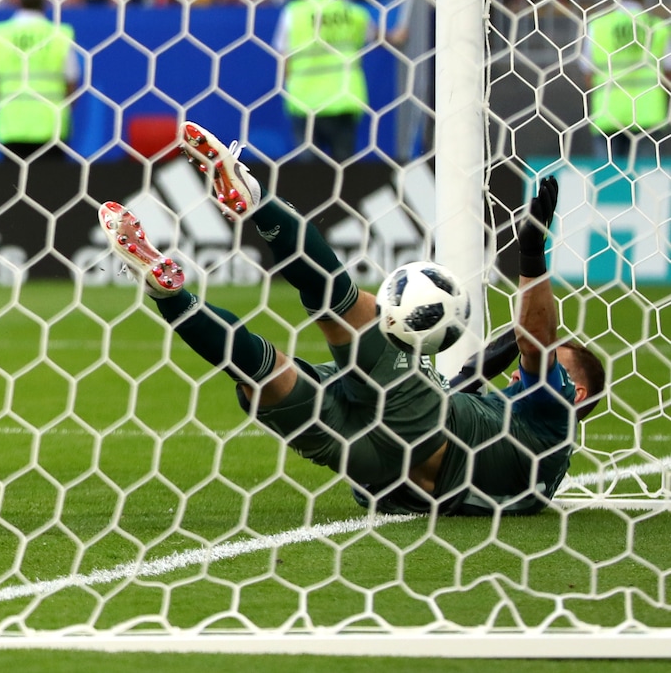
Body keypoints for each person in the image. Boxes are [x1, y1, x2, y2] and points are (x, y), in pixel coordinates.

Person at [103, 123, 605, 515]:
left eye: (554, 370)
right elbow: (491, 371)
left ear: (575, 393)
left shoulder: (551, 418)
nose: (525, 371)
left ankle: (255, 199)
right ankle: (168, 294)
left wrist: (533, 253)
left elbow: (536, 341)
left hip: (425, 425)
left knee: (341, 307)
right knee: (266, 376)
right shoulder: (538, 468)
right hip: (378, 469)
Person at [273, 0, 374, 163]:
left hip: (304, 102)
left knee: (309, 177)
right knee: (344, 172)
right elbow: (378, 36)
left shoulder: (294, 13)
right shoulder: (355, 13)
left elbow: (284, 57)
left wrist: (289, 86)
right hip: (343, 99)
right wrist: (397, 36)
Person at [578, 0, 669, 169]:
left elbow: (587, 72)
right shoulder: (658, 27)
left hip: (608, 112)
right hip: (647, 114)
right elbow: (668, 72)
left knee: (608, 186)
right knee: (646, 184)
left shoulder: (598, 25)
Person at [0, 0, 82, 160]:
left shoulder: (2, 34)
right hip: (52, 125)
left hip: (12, 126)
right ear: (45, 1)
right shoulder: (58, 34)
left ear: (16, 0)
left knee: (14, 185)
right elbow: (72, 81)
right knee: (50, 185)